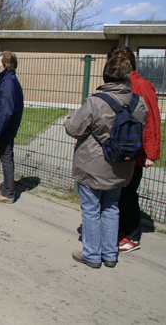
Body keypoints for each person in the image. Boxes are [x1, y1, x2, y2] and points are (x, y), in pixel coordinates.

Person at [65, 56, 147, 269]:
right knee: (111, 207)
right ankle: (110, 253)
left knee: (91, 208)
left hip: (93, 165)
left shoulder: (96, 101)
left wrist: (70, 118)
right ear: (128, 76)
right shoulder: (139, 103)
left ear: (105, 75)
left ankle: (91, 253)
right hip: (122, 166)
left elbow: (73, 128)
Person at [108, 47, 161, 254]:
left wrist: (150, 153)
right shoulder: (122, 85)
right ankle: (121, 231)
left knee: (128, 194)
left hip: (135, 151)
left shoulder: (142, 86)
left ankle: (132, 236)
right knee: (119, 193)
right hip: (120, 150)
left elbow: (152, 121)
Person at [0, 51, 24, 204]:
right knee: (6, 158)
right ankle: (6, 186)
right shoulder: (9, 80)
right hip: (7, 127)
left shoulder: (8, 82)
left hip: (4, 129)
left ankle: (8, 192)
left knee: (6, 159)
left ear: (6, 64)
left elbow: (6, 109)